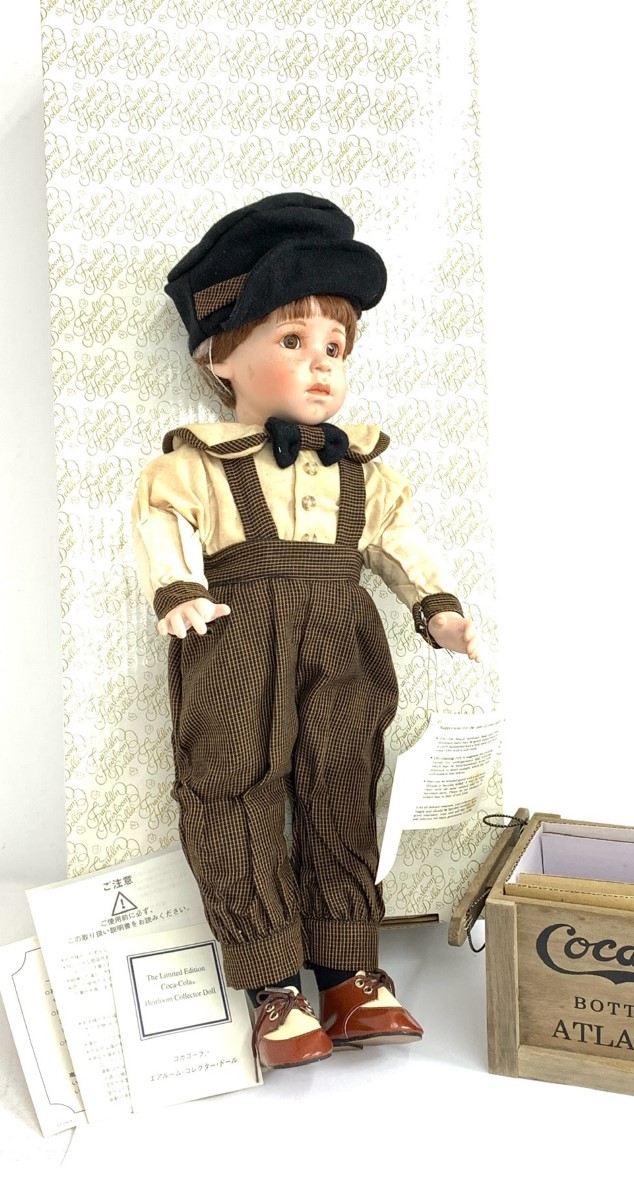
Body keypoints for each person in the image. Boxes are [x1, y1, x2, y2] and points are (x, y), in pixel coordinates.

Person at [133, 193, 479, 1071]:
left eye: (335, 346)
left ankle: (348, 971)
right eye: (291, 340)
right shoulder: (195, 463)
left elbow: (398, 542)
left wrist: (436, 607)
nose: (321, 364)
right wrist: (177, 589)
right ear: (221, 357)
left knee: (341, 783)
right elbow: (161, 522)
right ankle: (272, 987)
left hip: (342, 633)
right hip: (234, 634)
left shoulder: (365, 469)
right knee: (235, 786)